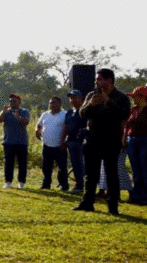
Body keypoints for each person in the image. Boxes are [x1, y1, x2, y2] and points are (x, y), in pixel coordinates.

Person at [73, 68, 131, 215]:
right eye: (96, 80)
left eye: (99, 79)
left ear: (109, 80)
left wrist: (108, 101)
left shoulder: (121, 97)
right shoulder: (92, 95)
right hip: (92, 141)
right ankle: (87, 203)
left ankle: (113, 207)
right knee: (90, 175)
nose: (96, 82)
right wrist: (91, 104)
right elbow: (82, 114)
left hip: (111, 142)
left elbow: (123, 115)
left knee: (112, 175)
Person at [35, 96, 69, 191]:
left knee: (62, 167)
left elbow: (68, 129)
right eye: (50, 103)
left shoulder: (65, 114)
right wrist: (37, 130)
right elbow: (39, 125)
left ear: (60, 104)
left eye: (54, 102)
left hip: (60, 146)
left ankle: (64, 185)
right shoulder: (45, 114)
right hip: (46, 145)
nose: (52, 105)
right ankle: (46, 185)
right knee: (46, 167)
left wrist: (66, 141)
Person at [0, 93, 30, 189]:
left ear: (19, 102)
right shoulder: (6, 111)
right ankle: (8, 182)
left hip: (21, 142)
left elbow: (26, 122)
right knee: (8, 163)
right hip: (8, 142)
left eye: (14, 101)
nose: (12, 103)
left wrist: (18, 118)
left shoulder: (24, 111)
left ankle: (21, 182)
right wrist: (3, 112)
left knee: (22, 163)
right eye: (10, 101)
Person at [124, 86, 147, 205]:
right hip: (131, 140)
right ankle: (136, 196)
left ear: (143, 97)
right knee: (136, 170)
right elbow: (126, 126)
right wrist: (124, 140)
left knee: (145, 169)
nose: (133, 98)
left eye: (135, 96)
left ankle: (145, 197)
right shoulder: (132, 110)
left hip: (145, 140)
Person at [62, 90, 86, 194]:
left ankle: (87, 186)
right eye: (71, 98)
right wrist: (63, 140)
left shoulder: (85, 110)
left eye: (75, 97)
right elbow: (66, 126)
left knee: (83, 164)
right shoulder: (69, 112)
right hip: (71, 141)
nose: (72, 100)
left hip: (82, 142)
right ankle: (79, 185)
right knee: (75, 164)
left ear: (80, 98)